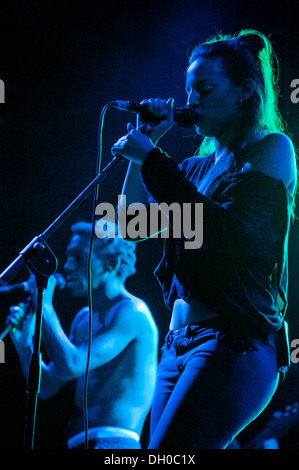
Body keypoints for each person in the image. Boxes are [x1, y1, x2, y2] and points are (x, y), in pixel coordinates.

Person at [111, 29, 298, 449]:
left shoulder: (271, 150)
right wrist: (148, 147)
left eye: (205, 89)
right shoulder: (194, 169)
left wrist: (152, 159)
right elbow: (132, 225)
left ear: (244, 92)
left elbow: (230, 234)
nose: (191, 100)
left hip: (232, 344)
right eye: (189, 90)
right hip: (178, 346)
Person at [8, 220, 158, 449]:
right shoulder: (83, 318)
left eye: (78, 257)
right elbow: (47, 386)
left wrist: (45, 308)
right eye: (68, 256)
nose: (66, 266)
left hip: (113, 443)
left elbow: (73, 364)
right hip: (78, 442)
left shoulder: (132, 312)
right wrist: (24, 343)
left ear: (111, 263)